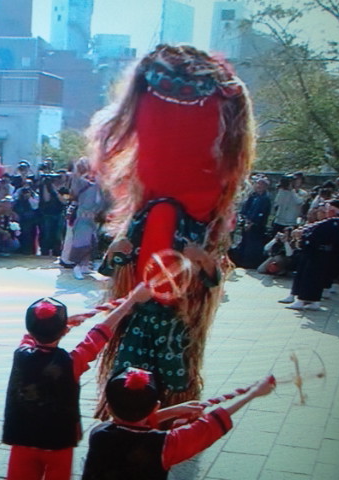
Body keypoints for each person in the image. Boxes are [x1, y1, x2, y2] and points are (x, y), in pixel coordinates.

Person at [91, 45, 255, 413]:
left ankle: (173, 416)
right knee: (128, 372)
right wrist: (115, 254)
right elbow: (112, 265)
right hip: (139, 315)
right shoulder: (147, 216)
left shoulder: (196, 224)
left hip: (174, 320)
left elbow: (213, 277)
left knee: (175, 373)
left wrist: (203, 260)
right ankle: (123, 415)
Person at [3, 284, 151, 480]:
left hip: (21, 438)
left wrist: (63, 326)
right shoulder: (72, 363)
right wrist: (131, 301)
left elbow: (31, 337)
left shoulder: (20, 353)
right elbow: (99, 334)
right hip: (59, 442)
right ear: (63, 329)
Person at [81, 368, 276, 479]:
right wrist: (252, 394)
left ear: (109, 408)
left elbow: (130, 427)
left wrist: (175, 411)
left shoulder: (99, 433)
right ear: (155, 406)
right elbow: (207, 426)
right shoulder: (165, 445)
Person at [280, 199, 339, 310]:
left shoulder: (335, 222)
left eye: (328, 209)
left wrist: (304, 236)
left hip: (320, 251)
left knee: (311, 277)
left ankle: (303, 300)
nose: (325, 211)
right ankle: (311, 300)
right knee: (307, 274)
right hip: (313, 250)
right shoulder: (327, 222)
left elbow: (318, 236)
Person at [67, 160, 108, 280]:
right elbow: (75, 180)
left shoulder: (100, 188)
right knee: (81, 242)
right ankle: (77, 267)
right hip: (82, 218)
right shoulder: (83, 183)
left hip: (92, 219)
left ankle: (85, 266)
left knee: (91, 243)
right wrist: (79, 167)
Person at [233, 176, 272, 269]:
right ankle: (241, 260)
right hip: (247, 222)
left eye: (261, 184)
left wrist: (253, 223)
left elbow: (262, 213)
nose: (259, 186)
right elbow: (245, 209)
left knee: (253, 244)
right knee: (244, 242)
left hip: (257, 226)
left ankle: (251, 263)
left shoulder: (265, 198)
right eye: (258, 183)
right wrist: (244, 219)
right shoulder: (253, 196)